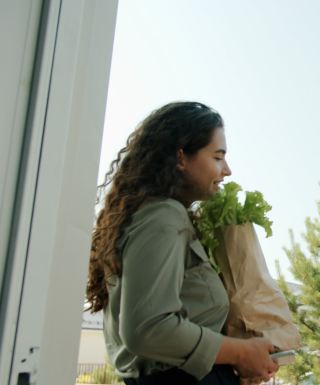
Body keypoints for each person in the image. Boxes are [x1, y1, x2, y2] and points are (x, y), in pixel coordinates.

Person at [86, 102, 279, 385]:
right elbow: (148, 328)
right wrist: (240, 352)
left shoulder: (153, 215)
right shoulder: (163, 215)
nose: (227, 170)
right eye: (217, 157)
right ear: (180, 158)